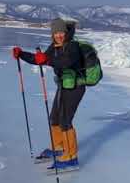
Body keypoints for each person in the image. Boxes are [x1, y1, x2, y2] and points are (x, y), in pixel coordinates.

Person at [12, 18, 85, 171]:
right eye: (56, 33)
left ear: (65, 33)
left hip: (76, 87)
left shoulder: (73, 46)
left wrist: (48, 60)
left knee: (65, 120)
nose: (59, 35)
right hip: (64, 86)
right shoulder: (55, 46)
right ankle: (60, 147)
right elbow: (41, 59)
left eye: (61, 32)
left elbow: (66, 62)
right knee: (55, 118)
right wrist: (22, 54)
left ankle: (71, 157)